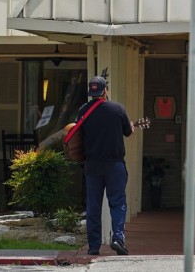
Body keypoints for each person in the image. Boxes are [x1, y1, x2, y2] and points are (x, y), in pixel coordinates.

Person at [79, 76, 134, 256]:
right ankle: (118, 238)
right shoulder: (117, 109)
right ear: (105, 91)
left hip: (92, 165)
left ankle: (93, 246)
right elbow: (128, 132)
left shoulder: (83, 111)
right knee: (117, 204)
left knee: (93, 206)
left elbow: (78, 135)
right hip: (115, 165)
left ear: (92, 92)